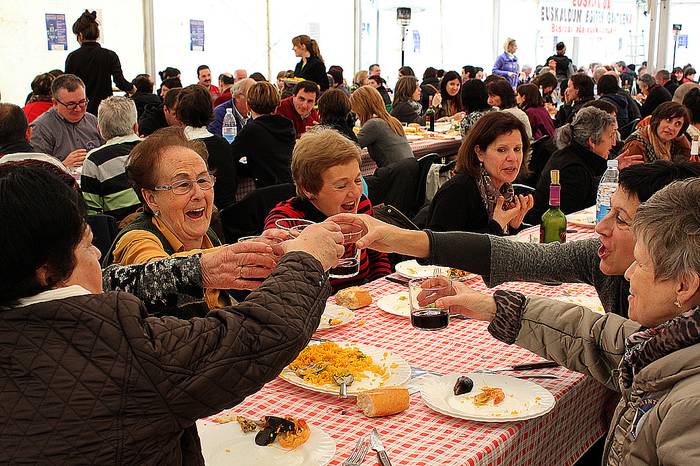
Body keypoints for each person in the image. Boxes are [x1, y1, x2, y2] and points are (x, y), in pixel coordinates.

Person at [0, 161, 345, 464]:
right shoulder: (117, 342)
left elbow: (109, 281)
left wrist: (195, 271)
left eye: (204, 180)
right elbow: (262, 333)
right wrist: (307, 260)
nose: (198, 193)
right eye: (88, 245)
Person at [418, 180, 700, 466]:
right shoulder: (670, 344)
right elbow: (593, 337)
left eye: (640, 263)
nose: (628, 274)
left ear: (684, 285)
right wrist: (493, 307)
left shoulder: (691, 409)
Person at [333, 160, 700, 320]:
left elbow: (591, 333)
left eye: (620, 219)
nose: (601, 227)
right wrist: (400, 238)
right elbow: (514, 255)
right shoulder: (601, 259)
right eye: (607, 211)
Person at [103, 128, 226, 315]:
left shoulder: (208, 235)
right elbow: (156, 274)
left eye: (203, 180)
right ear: (151, 199)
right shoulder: (136, 239)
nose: (199, 194)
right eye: (183, 185)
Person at [264, 128, 391, 292]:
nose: (355, 192)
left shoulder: (362, 206)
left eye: (358, 180)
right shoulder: (285, 220)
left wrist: (381, 292)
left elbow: (378, 256)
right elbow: (277, 283)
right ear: (309, 189)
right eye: (341, 185)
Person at [425, 112, 533, 235]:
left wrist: (514, 227)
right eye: (502, 150)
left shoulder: (506, 191)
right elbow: (442, 249)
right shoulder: (457, 191)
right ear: (480, 153)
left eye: (517, 149)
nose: (513, 158)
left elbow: (505, 247)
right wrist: (496, 226)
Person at [528, 107, 617, 223]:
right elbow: (571, 218)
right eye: (611, 137)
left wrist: (611, 167)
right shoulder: (573, 170)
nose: (614, 143)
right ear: (592, 142)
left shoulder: (572, 154)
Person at [176, 85, 237, 209]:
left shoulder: (178, 148)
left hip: (197, 213)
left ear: (179, 112)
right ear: (210, 110)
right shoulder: (223, 144)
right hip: (227, 214)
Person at [81, 97, 141, 222]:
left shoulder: (94, 160)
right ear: (136, 127)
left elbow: (92, 214)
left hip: (118, 231)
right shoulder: (154, 149)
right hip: (159, 227)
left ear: (100, 129)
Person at [65, 10, 135, 115]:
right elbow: (119, 81)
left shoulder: (72, 57)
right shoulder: (110, 55)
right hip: (105, 111)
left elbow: (68, 86)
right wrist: (131, 88)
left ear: (80, 35)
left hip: (81, 110)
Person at [30, 74, 104, 168]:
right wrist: (62, 166)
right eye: (71, 104)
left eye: (82, 102)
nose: (78, 109)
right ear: (55, 103)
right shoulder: (40, 128)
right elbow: (36, 171)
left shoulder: (92, 120)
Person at [230, 81, 295, 188]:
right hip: (290, 187)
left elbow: (229, 158)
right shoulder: (287, 125)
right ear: (277, 105)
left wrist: (250, 170)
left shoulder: (251, 130)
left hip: (266, 192)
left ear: (248, 106)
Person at [350, 86, 413, 168]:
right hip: (409, 174)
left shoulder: (373, 124)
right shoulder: (394, 121)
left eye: (356, 111)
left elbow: (350, 148)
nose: (356, 116)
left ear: (362, 108)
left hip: (393, 176)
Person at [619, 102, 691, 167]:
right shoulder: (636, 144)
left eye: (678, 124)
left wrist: (680, 137)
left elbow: (687, 161)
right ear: (658, 120)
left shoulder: (671, 142)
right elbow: (631, 177)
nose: (671, 127)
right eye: (668, 120)